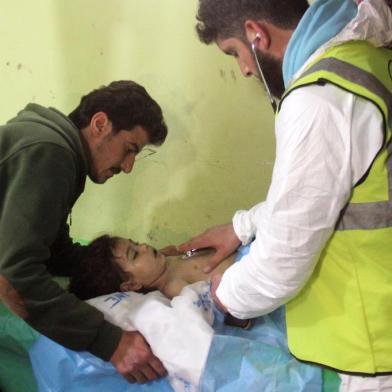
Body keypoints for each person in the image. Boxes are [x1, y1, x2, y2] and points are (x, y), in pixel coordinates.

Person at [178, 0, 392, 390]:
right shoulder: (367, 61)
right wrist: (243, 227)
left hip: (375, 343)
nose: (243, 69)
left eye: (234, 53)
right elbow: (347, 191)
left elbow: (282, 262)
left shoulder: (320, 99)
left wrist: (225, 295)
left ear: (256, 33)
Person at [0, 80, 168, 384]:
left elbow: (52, 249)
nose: (129, 167)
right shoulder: (50, 154)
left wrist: (119, 262)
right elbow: (14, 277)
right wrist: (110, 342)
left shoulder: (50, 145)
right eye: (129, 150)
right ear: (100, 124)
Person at [68, 235, 236, 300]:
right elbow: (211, 307)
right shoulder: (173, 287)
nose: (144, 247)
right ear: (132, 285)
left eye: (136, 243)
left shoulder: (164, 260)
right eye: (135, 254)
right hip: (247, 271)